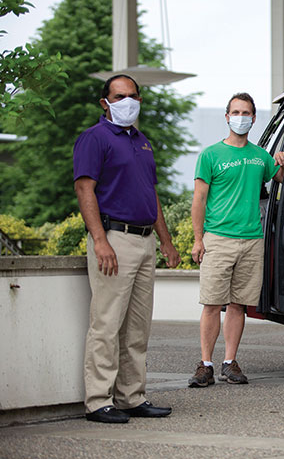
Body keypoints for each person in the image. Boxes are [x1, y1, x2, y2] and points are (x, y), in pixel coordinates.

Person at [74, 74, 181, 424]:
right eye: (120, 96)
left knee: (137, 328)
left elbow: (151, 193)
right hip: (115, 239)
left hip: (145, 239)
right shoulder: (94, 138)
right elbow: (85, 190)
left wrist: (165, 240)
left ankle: (132, 396)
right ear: (104, 102)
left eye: (133, 95)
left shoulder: (142, 141)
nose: (128, 101)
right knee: (106, 324)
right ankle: (97, 401)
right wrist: (100, 240)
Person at [188, 92, 284, 387]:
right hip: (218, 238)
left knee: (238, 304)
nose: (241, 117)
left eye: (246, 113)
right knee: (210, 303)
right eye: (236, 112)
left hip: (251, 240)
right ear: (227, 116)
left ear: (254, 118)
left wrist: (281, 161)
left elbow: (280, 177)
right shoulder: (210, 155)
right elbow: (199, 199)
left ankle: (229, 362)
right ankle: (205, 364)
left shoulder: (260, 156)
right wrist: (198, 239)